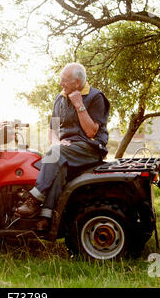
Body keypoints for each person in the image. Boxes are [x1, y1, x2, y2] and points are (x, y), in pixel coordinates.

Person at [15, 63, 110, 231]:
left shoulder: (96, 97)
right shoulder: (59, 98)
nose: (61, 84)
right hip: (65, 150)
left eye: (65, 81)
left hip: (89, 148)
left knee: (56, 154)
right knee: (58, 166)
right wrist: (57, 143)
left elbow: (91, 132)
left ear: (78, 81)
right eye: (61, 80)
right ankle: (46, 217)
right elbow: (52, 130)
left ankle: (35, 198)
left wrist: (79, 104)